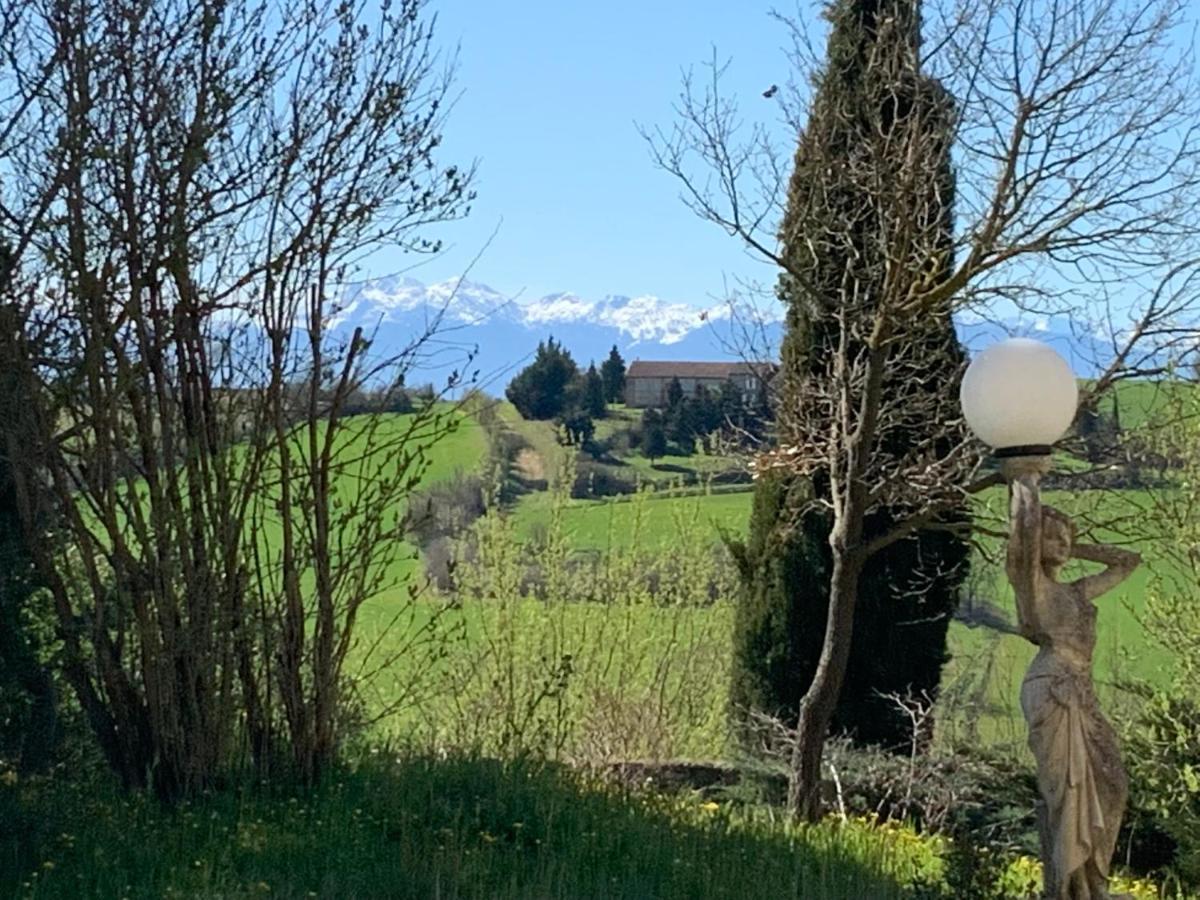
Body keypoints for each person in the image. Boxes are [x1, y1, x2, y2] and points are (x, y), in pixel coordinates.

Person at [1004, 457, 1141, 900]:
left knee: (1113, 785)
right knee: (1065, 795)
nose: (1062, 543)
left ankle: (1092, 881)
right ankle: (1067, 888)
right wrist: (1026, 481)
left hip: (1081, 690)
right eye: (1054, 537)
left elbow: (1126, 561)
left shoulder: (1076, 592)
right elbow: (1023, 541)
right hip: (1051, 688)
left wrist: (1071, 543)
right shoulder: (1033, 587)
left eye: (1067, 538)